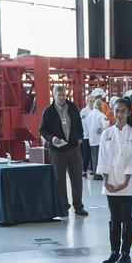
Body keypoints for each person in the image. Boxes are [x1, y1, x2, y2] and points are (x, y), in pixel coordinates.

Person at [97, 98, 132, 263]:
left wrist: (125, 182)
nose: (120, 114)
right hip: (110, 181)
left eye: (123, 111)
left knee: (126, 216)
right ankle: (114, 251)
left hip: (127, 183)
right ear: (113, 112)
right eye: (117, 111)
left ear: (129, 113)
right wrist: (106, 181)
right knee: (114, 217)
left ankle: (125, 253)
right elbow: (103, 158)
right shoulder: (106, 134)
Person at [38, 84, 87, 216]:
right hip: (57, 150)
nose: (61, 97)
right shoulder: (48, 111)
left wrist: (80, 137)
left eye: (63, 95)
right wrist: (52, 137)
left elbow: (78, 123)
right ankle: (63, 207)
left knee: (77, 178)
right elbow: (42, 130)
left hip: (73, 148)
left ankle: (78, 206)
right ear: (54, 96)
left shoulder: (72, 107)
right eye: (59, 95)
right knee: (60, 180)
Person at [83, 94, 110, 180]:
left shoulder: (90, 114)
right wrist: (101, 129)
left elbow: (86, 126)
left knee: (94, 157)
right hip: (99, 139)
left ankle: (95, 173)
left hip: (91, 139)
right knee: (100, 157)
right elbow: (106, 124)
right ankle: (98, 174)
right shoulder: (101, 115)